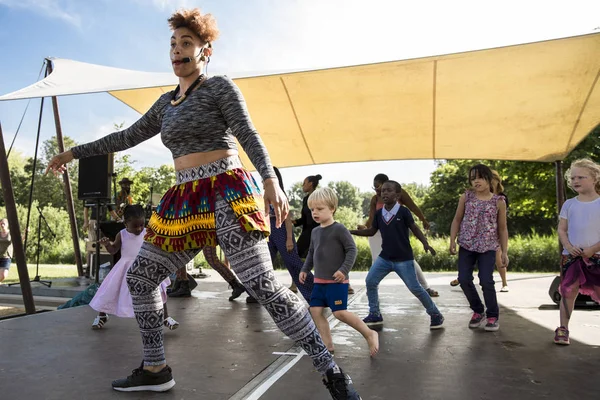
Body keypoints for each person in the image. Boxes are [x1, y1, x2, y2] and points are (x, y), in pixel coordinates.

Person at [46, 9, 360, 398]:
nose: (177, 50)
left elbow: (247, 132)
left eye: (186, 43)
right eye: (173, 44)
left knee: (263, 285)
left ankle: (331, 371)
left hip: (226, 191)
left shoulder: (219, 88)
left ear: (204, 51)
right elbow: (125, 137)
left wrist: (269, 178)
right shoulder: (165, 104)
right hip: (184, 200)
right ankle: (156, 367)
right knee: (141, 277)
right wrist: (71, 153)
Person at [350, 181, 444, 330]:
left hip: (403, 259)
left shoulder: (403, 212)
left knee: (416, 288)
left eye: (388, 191)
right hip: (385, 258)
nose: (384, 193)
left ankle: (435, 314)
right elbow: (372, 231)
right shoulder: (379, 214)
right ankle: (375, 313)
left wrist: (425, 243)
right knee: (370, 281)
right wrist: (351, 232)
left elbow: (415, 228)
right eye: (382, 191)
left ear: (398, 195)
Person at [300, 188, 379, 356]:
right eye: (312, 209)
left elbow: (352, 250)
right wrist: (305, 269)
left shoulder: (339, 229)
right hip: (319, 282)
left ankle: (369, 333)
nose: (315, 213)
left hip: (337, 282)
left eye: (319, 209)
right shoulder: (315, 232)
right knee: (315, 310)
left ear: (332, 209)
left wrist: (344, 270)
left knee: (339, 313)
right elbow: (312, 253)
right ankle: (327, 345)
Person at [89, 205, 179, 330]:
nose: (139, 228)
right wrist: (107, 244)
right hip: (125, 268)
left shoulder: (147, 233)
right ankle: (102, 315)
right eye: (135, 226)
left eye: (141, 225)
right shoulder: (122, 235)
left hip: (145, 267)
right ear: (126, 223)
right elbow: (113, 250)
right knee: (110, 291)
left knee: (159, 290)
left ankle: (165, 317)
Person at [449, 164, 508, 332]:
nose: (476, 181)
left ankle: (492, 315)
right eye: (473, 178)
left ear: (489, 179)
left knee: (486, 280)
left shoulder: (499, 201)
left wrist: (504, 252)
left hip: (488, 247)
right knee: (464, 279)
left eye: (480, 178)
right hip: (467, 244)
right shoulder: (466, 197)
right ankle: (477, 310)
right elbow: (456, 220)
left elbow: (503, 228)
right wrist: (452, 240)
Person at [360, 173, 438, 297]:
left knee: (409, 260)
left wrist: (423, 219)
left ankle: (425, 288)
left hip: (396, 231)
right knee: (376, 260)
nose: (377, 190)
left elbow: (413, 207)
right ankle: (372, 290)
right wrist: (364, 227)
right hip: (377, 232)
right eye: (374, 187)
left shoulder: (398, 193)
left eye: (378, 187)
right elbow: (371, 218)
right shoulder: (375, 198)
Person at [554, 158, 600, 345]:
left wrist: (593, 249)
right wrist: (568, 245)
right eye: (573, 178)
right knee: (568, 291)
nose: (576, 181)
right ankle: (563, 329)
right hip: (572, 257)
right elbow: (562, 229)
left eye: (581, 177)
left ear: (595, 178)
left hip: (596, 256)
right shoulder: (569, 204)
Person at [270, 167, 314, 302]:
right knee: (263, 264)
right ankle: (255, 294)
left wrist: (289, 238)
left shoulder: (280, 194)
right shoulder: (264, 193)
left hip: (282, 231)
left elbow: (287, 219)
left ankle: (315, 293)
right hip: (269, 232)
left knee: (293, 263)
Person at [0, 218, 12, 284]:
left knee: (4, 275)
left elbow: (19, 240)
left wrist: (25, 233)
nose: (2, 225)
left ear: (7, 224)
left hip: (6, 257)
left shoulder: (11, 233)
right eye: (1, 223)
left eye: (4, 223)